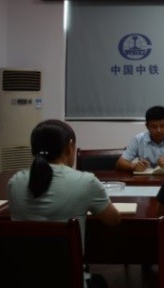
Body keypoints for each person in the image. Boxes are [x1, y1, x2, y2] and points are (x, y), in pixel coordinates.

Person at [7, 119, 120, 288]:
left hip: (23, 278)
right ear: (69, 146)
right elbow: (113, 220)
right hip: (69, 279)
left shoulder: (15, 182)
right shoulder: (85, 181)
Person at [116, 105, 164, 172]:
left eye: (162, 126)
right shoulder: (138, 140)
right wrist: (134, 166)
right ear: (147, 126)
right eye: (154, 127)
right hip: (145, 180)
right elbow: (120, 163)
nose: (159, 130)